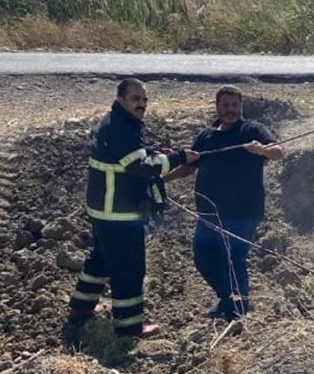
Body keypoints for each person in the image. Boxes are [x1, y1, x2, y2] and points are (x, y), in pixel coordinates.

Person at [64, 78, 198, 350]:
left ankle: (80, 307)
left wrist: (153, 153)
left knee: (100, 260)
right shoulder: (119, 129)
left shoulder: (116, 123)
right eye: (136, 99)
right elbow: (141, 167)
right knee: (129, 270)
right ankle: (129, 327)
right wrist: (179, 158)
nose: (141, 105)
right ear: (121, 99)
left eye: (144, 100)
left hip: (103, 210)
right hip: (119, 213)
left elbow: (131, 157)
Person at [164, 85, 284, 320]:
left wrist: (261, 150)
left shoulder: (252, 130)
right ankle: (227, 298)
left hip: (243, 212)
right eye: (225, 105)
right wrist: (161, 179)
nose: (230, 110)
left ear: (241, 107)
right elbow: (188, 166)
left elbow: (278, 152)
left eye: (234, 105)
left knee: (234, 259)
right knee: (203, 257)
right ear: (217, 107)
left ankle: (239, 311)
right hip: (209, 212)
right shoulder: (206, 136)